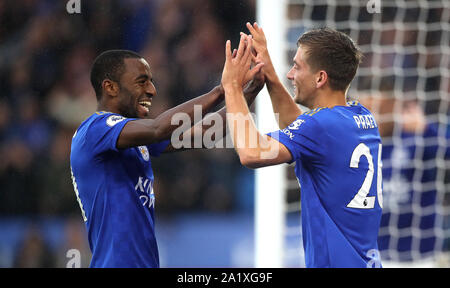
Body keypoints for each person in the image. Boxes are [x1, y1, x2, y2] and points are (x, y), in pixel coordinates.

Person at [70, 49, 264, 268]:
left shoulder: (132, 139)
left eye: (151, 82)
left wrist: (249, 90)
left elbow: (205, 135)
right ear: (111, 87)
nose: (152, 90)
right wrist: (221, 90)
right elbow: (158, 128)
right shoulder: (95, 130)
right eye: (141, 82)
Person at [221, 25, 383, 268]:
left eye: (296, 66)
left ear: (320, 78)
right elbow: (302, 130)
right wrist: (270, 74)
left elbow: (251, 152)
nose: (290, 74)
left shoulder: (319, 126)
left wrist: (232, 87)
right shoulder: (361, 117)